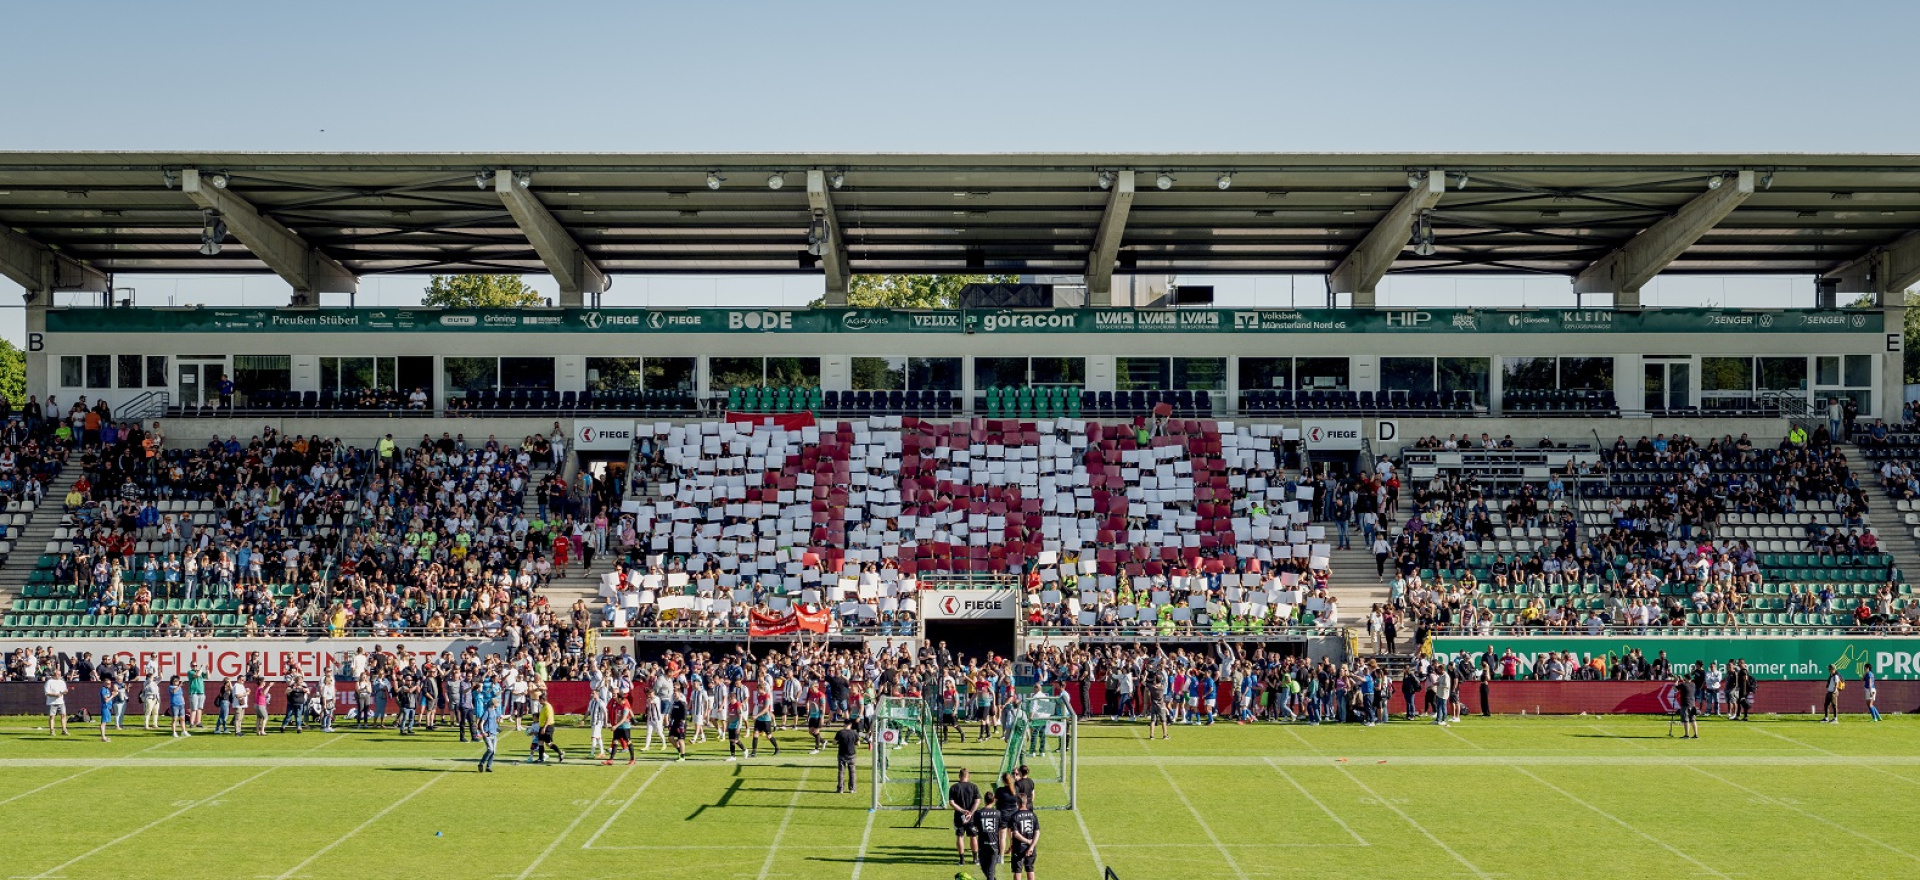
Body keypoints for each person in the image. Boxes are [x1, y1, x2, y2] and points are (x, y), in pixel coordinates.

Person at [949, 767, 983, 865]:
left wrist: (962, 811)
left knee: (960, 836)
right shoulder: (973, 787)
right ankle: (975, 859)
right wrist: (971, 813)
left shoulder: (954, 787)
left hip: (959, 816)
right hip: (971, 817)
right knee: (973, 836)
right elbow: (977, 801)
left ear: (959, 776)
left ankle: (962, 860)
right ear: (968, 776)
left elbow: (951, 803)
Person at [972, 790, 1006, 880]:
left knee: (989, 871)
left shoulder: (978, 813)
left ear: (985, 800)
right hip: (993, 845)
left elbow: (974, 827)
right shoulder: (997, 813)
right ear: (993, 800)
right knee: (986, 870)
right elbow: (1002, 828)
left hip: (985, 845)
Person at [1008, 795, 1040, 880]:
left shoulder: (1014, 816)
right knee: (1030, 868)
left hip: (1018, 847)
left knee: (1017, 870)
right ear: (1026, 802)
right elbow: (1037, 832)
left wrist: (1027, 841)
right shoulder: (1033, 815)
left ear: (1017, 803)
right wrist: (1032, 845)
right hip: (1031, 847)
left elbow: (1015, 834)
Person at [605, 694, 636, 766]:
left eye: (617, 698)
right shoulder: (618, 705)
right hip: (618, 727)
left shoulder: (625, 706)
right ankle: (611, 760)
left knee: (628, 742)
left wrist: (615, 726)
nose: (615, 700)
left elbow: (624, 718)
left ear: (620, 698)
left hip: (625, 727)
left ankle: (632, 759)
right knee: (615, 742)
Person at [833, 718, 861, 794]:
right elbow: (858, 744)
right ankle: (852, 789)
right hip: (851, 754)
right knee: (852, 772)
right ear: (851, 724)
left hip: (842, 754)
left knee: (841, 772)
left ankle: (840, 789)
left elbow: (834, 742)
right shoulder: (854, 733)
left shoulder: (840, 733)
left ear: (844, 724)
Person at [1673, 672, 1699, 739]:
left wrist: (1676, 681)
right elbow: (1686, 685)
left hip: (1685, 704)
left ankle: (1687, 735)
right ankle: (1695, 734)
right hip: (1692, 704)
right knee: (1693, 720)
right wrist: (1682, 681)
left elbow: (1675, 689)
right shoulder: (1693, 684)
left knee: (1686, 720)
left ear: (1686, 678)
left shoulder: (1683, 685)